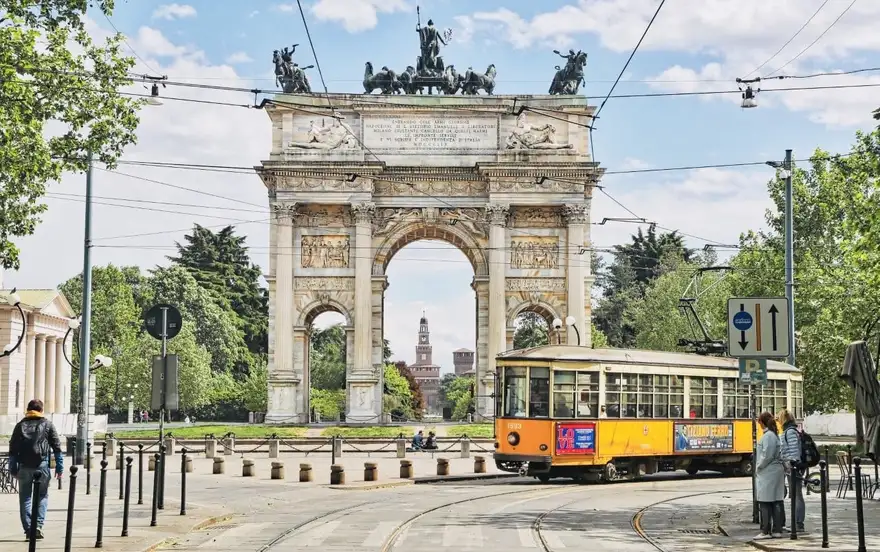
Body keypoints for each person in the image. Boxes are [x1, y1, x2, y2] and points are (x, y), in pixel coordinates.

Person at [8, 399, 64, 540]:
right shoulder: (48, 425)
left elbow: (13, 449)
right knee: (42, 496)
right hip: (42, 466)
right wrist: (59, 467)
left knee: (25, 498)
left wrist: (12, 468)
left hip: (24, 466)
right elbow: (57, 447)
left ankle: (28, 529)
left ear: (28, 410)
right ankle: (38, 526)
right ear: (41, 410)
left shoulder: (20, 425)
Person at [755, 411, 784, 540]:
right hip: (775, 471)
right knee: (776, 501)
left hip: (768, 472)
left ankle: (765, 530)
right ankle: (777, 529)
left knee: (765, 501)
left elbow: (767, 455)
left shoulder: (768, 436)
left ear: (762, 422)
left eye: (759, 421)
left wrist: (759, 466)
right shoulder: (774, 435)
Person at [778, 408, 806, 533]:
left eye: (779, 418)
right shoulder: (789, 431)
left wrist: (791, 466)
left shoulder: (790, 432)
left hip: (793, 468)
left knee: (797, 495)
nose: (778, 420)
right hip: (791, 468)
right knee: (795, 495)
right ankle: (796, 523)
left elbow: (794, 451)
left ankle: (798, 524)